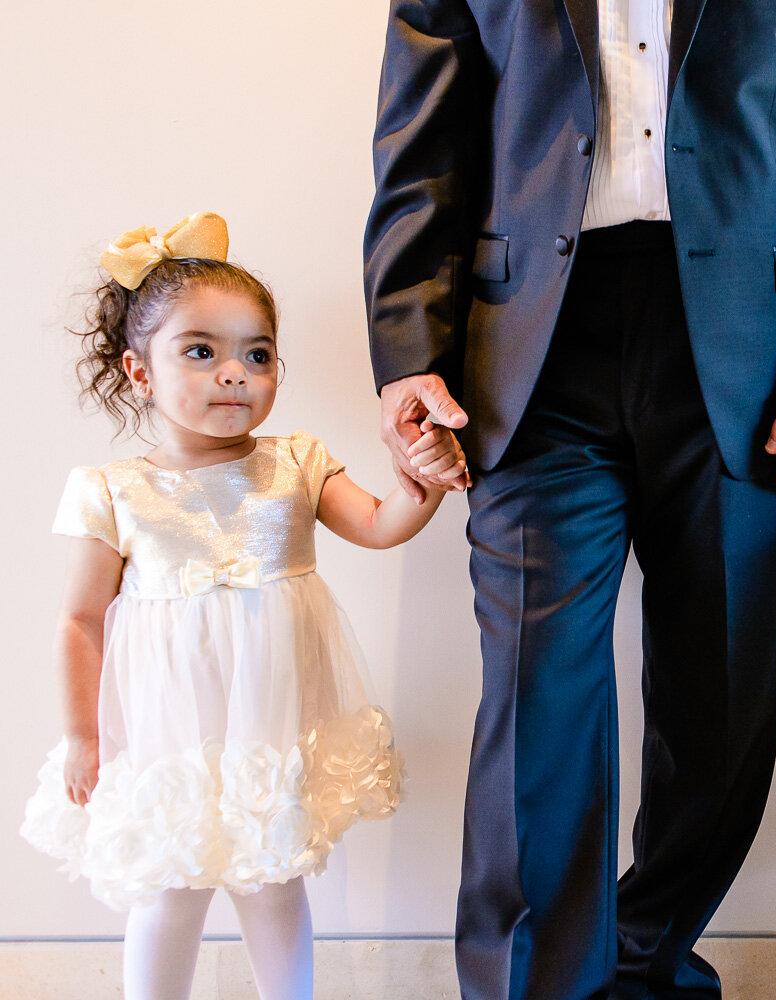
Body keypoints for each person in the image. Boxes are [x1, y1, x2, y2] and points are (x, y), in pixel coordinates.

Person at [362, 3, 776, 998]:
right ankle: (537, 988)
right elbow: (421, 147)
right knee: (537, 694)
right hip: (527, 348)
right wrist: (407, 357)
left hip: (749, 349)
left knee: (723, 693)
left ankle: (646, 962)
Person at [20, 214, 466, 1000]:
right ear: (140, 371)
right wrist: (81, 734)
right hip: (168, 731)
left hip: (272, 721)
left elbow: (377, 524)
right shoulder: (112, 491)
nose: (235, 373)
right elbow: (80, 620)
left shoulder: (295, 463)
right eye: (202, 351)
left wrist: (417, 485)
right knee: (170, 884)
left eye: (256, 354)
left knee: (273, 879)